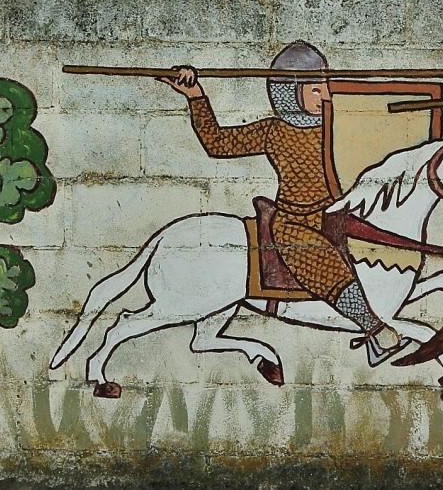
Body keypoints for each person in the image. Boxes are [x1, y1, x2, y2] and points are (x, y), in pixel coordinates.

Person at [159, 41, 410, 366]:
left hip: (335, 213)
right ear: (289, 92)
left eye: (326, 87)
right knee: (316, 258)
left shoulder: (339, 127)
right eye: (315, 90)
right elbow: (219, 144)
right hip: (293, 222)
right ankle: (373, 328)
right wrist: (196, 96)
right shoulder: (274, 131)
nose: (326, 96)